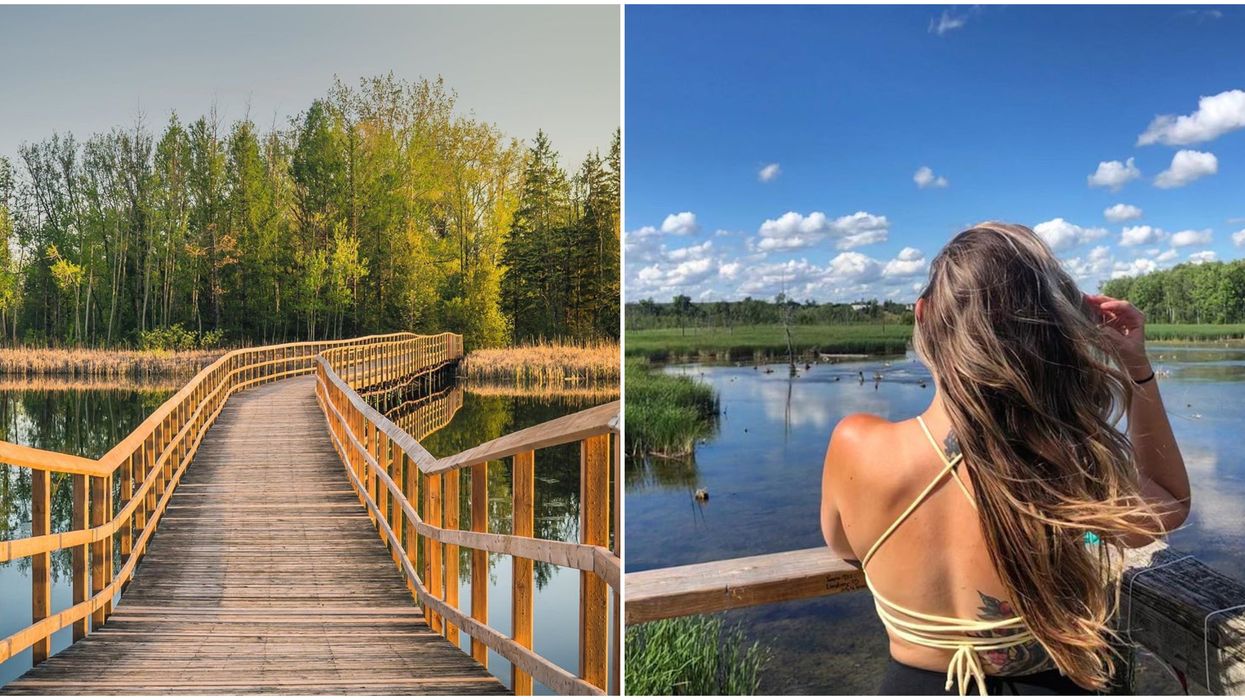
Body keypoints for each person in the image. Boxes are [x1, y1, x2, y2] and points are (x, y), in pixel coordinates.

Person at [819, 222, 1190, 696]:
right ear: (1049, 333)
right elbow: (1171, 501)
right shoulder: (1061, 465)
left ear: (923, 314)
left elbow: (845, 548)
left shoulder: (855, 444)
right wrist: (1136, 368)